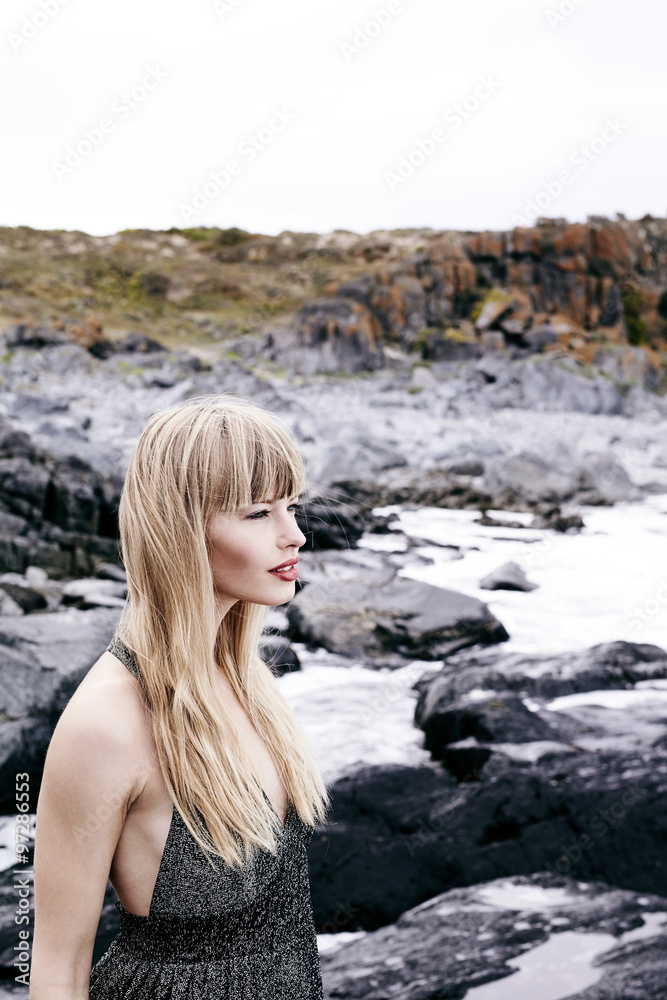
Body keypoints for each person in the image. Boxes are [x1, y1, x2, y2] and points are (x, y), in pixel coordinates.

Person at [31, 394, 330, 999]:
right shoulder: (106, 723)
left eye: (290, 507)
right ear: (183, 528)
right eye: (257, 513)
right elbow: (57, 971)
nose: (294, 535)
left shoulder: (247, 682)